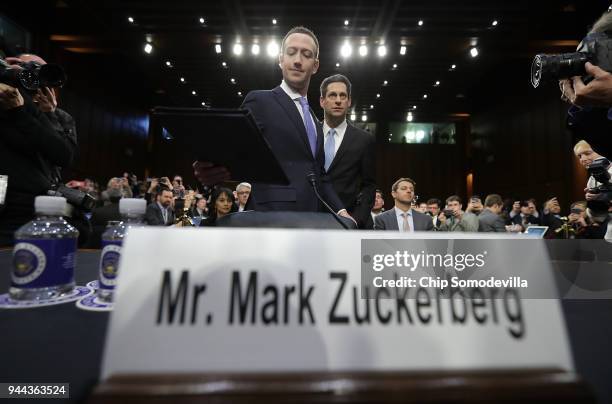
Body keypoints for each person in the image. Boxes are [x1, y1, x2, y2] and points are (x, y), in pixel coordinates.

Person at [193, 27, 351, 222]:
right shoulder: (260, 101)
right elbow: (232, 146)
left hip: (313, 219)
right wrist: (211, 165)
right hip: (271, 217)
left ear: (315, 65)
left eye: (306, 54)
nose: (297, 60)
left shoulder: (314, 120)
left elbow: (320, 174)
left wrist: (340, 210)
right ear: (280, 59)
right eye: (291, 52)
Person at [0, 56, 77, 246]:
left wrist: (49, 113)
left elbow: (64, 154)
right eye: (24, 68)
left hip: (27, 207)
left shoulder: (47, 113)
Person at [319, 74, 376, 229]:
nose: (338, 100)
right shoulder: (309, 134)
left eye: (343, 96)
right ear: (322, 101)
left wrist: (356, 219)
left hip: (348, 222)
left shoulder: (364, 140)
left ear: (349, 102)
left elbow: (369, 185)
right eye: (332, 95)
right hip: (311, 218)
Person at [573, 140, 611, 225]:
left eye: (587, 153)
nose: (583, 159)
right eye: (579, 156)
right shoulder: (592, 179)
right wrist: (593, 202)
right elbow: (598, 218)